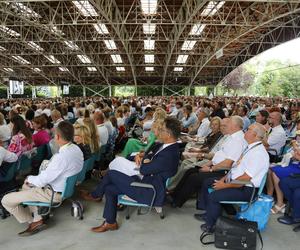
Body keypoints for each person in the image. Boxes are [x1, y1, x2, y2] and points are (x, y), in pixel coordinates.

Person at [82, 117, 181, 233]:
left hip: (149, 190)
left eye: (162, 129)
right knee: (109, 189)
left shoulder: (169, 155)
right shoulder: (164, 146)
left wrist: (145, 161)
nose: (159, 131)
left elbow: (144, 169)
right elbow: (148, 155)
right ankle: (110, 222)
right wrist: (144, 158)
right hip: (145, 181)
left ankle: (96, 195)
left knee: (112, 174)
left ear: (168, 134)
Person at [1, 121, 84, 236]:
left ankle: (34, 221)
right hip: (65, 188)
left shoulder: (61, 157)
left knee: (6, 200)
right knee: (26, 186)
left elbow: (42, 180)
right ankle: (37, 216)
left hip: (52, 193)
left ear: (58, 137)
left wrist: (29, 178)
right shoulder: (76, 149)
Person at [198, 123, 269, 232]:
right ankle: (209, 213)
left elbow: (245, 178)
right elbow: (236, 168)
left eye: (248, 130)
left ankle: (211, 225)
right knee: (208, 182)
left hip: (247, 189)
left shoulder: (258, 153)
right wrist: (224, 179)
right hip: (237, 182)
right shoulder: (250, 147)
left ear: (254, 135)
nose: (245, 131)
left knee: (214, 196)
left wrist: (224, 185)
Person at [170, 116, 247, 207]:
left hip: (223, 171)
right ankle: (174, 194)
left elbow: (228, 163)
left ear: (235, 126)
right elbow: (219, 154)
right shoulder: (231, 137)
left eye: (228, 123)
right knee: (190, 171)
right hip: (216, 165)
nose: (226, 126)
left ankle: (176, 201)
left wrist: (210, 169)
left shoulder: (238, 140)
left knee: (194, 178)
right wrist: (208, 164)